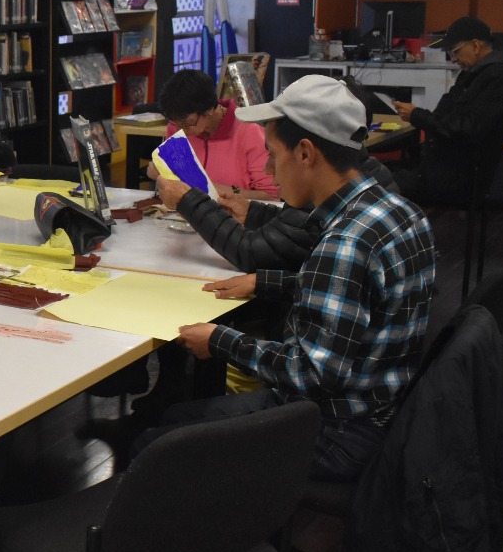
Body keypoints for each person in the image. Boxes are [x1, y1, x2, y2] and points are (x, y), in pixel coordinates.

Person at [131, 75, 436, 481]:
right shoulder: (393, 209)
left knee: (151, 446)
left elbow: (310, 373)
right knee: (176, 417)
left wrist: (220, 340)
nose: (270, 172)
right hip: (383, 410)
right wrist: (268, 283)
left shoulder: (344, 243)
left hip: (337, 431)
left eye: (273, 154)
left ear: (306, 153)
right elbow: (357, 294)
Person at [391, 16, 503, 205]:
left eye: (454, 52)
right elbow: (444, 114)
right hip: (442, 167)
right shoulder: (472, 73)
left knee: (374, 184)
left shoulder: (499, 76)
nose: (453, 60)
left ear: (475, 46)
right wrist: (419, 116)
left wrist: (417, 115)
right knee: (376, 174)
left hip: (461, 177)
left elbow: (466, 130)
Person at [148, 69, 277, 197]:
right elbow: (174, 180)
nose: (181, 130)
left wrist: (208, 188)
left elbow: (271, 197)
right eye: (176, 123)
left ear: (209, 109)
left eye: (187, 124)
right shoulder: (176, 127)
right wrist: (159, 172)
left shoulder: (250, 132)